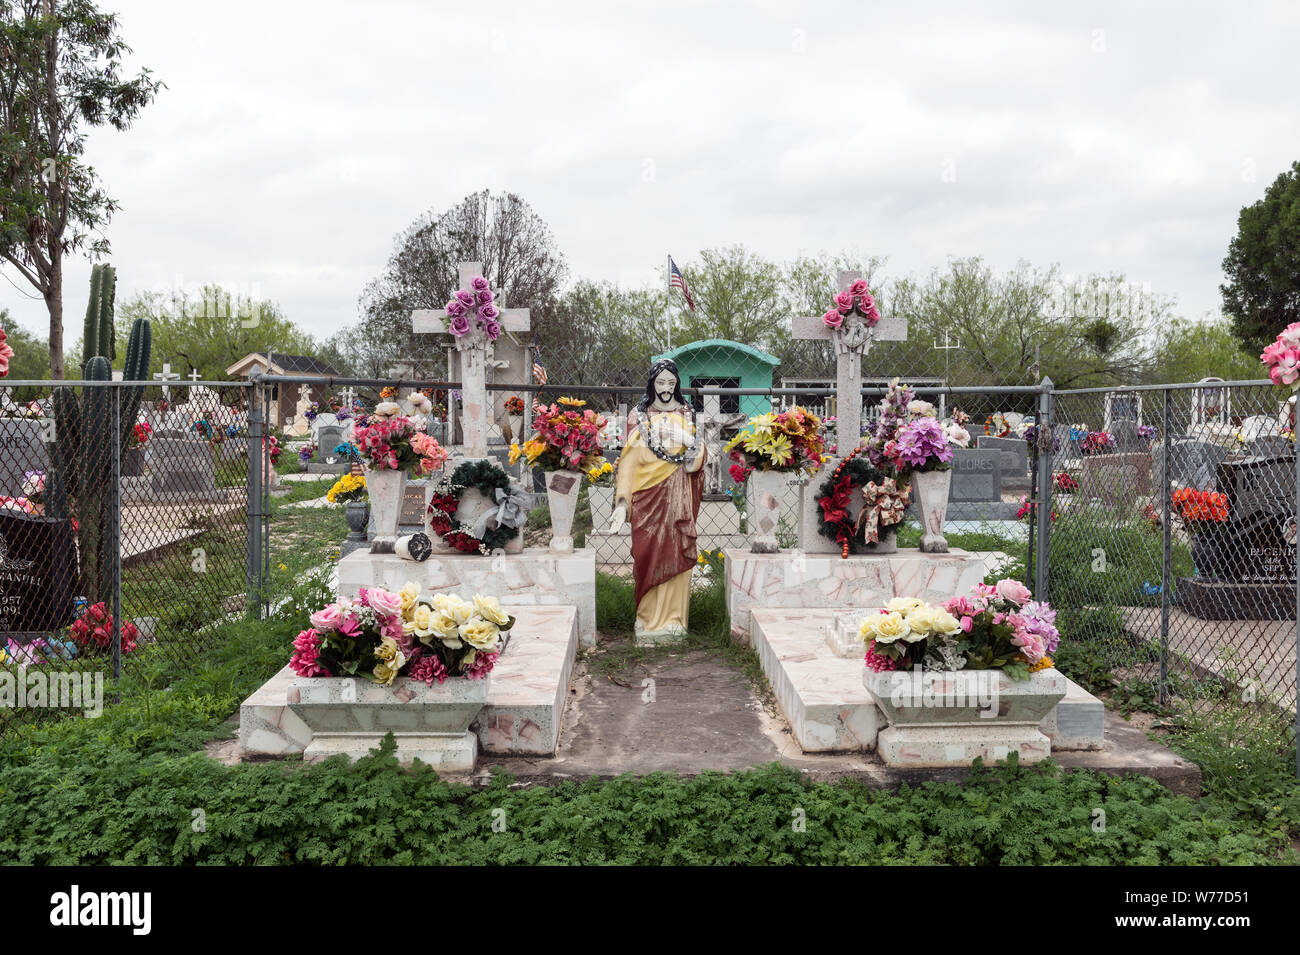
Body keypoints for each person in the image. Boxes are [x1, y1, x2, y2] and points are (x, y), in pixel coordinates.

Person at [609, 360, 706, 640]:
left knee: (676, 552)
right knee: (647, 556)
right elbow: (628, 463)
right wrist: (622, 504)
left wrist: (689, 442)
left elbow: (697, 461)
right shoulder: (639, 418)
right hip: (646, 500)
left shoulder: (687, 416)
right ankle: (647, 618)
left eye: (671, 383)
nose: (665, 389)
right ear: (652, 385)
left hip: (677, 498)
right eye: (660, 383)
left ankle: (675, 620)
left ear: (677, 385)